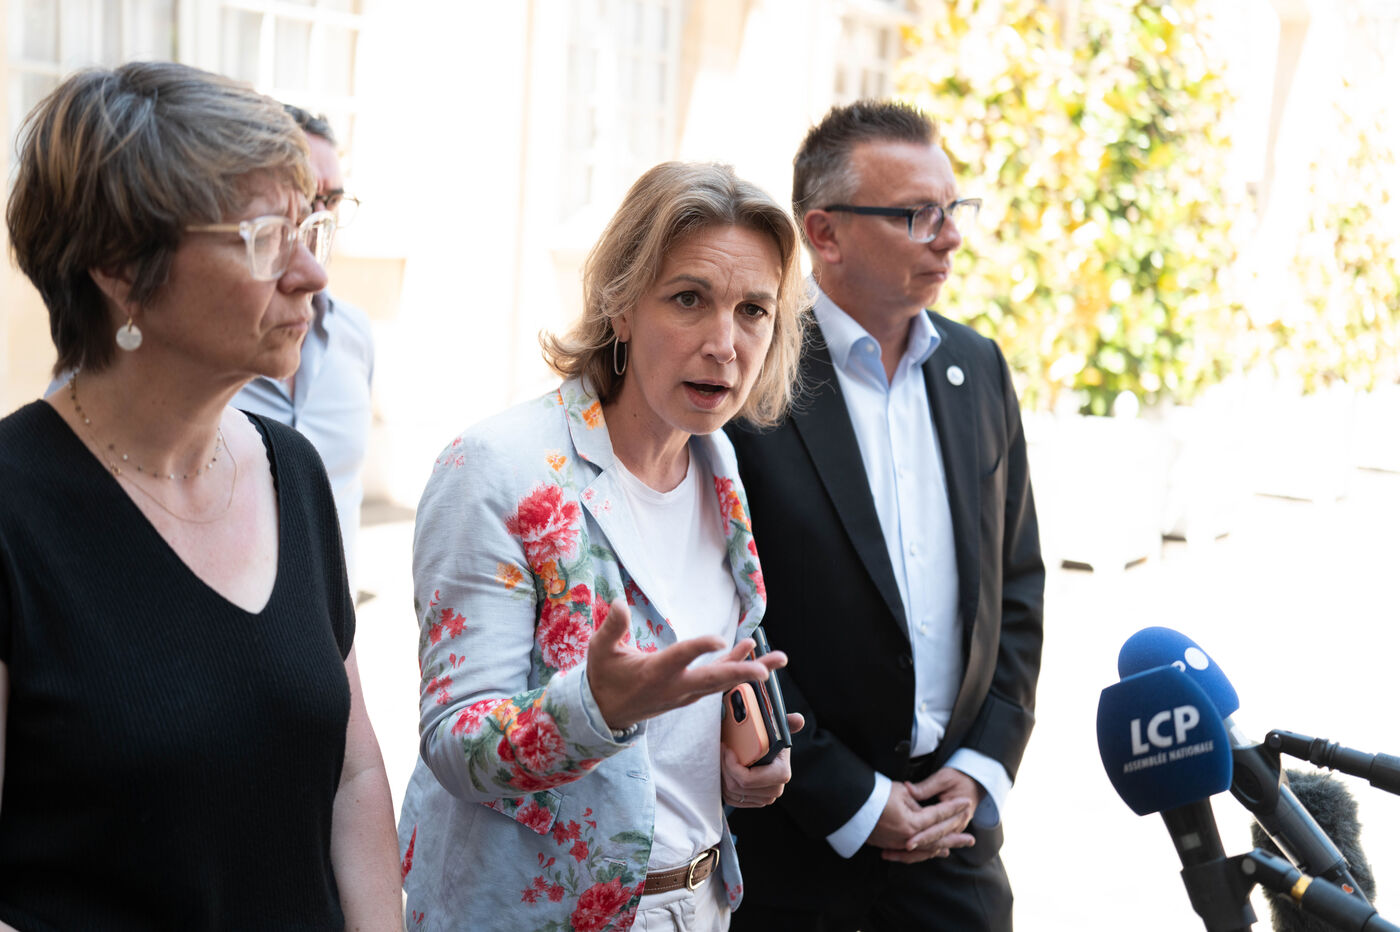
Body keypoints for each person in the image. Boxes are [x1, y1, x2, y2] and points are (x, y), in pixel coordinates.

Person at [0, 62, 401, 930]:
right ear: (121, 270)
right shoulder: (14, 512)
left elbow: (353, 772)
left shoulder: (292, 472)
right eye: (266, 238)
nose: (311, 273)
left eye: (312, 230)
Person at [397, 161, 807, 931]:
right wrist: (597, 707)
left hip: (700, 904)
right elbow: (454, 744)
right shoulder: (496, 467)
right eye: (689, 299)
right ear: (621, 305)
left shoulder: (719, 461)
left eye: (753, 310)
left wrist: (738, 759)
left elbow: (684, 709)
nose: (725, 344)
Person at [725, 100, 1045, 931]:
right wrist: (853, 799)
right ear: (824, 233)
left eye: (954, 209)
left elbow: (1017, 586)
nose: (950, 237)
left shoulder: (977, 366)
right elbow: (727, 616)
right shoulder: (750, 377)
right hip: (798, 845)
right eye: (917, 215)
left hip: (954, 837)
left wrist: (983, 766)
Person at [234, 105, 375, 594]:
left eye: (329, 200)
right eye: (302, 200)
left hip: (332, 628)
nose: (317, 219)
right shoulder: (208, 348)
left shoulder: (356, 336)